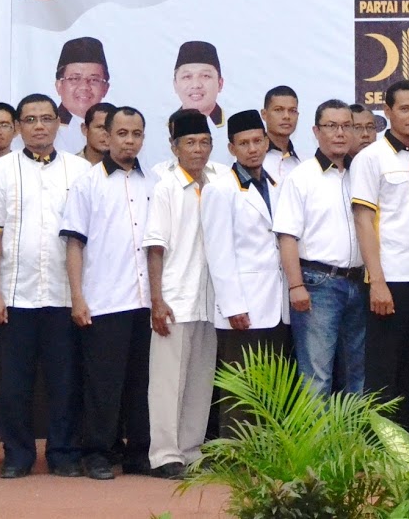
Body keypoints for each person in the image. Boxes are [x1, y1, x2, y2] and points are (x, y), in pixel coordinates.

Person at [0, 93, 91, 479]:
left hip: (64, 296)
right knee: (15, 385)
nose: (39, 126)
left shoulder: (79, 170)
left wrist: (81, 296)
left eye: (46, 118)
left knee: (65, 382)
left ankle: (63, 454)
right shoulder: (0, 171)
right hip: (16, 295)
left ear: (58, 123)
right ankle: (18, 455)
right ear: (18, 127)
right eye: (30, 120)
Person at [61, 107, 155, 480]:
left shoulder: (153, 183)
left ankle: (139, 453)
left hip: (145, 301)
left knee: (141, 383)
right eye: (122, 133)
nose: (129, 140)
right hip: (104, 300)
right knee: (103, 383)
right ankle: (97, 453)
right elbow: (74, 244)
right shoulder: (87, 183)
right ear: (107, 136)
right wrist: (77, 297)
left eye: (136, 134)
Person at [352, 80, 409, 432]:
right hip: (390, 279)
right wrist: (377, 282)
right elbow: (363, 221)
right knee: (383, 370)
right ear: (387, 112)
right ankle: (381, 445)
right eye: (405, 109)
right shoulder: (370, 158)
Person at [142, 110, 220, 479]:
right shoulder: (166, 187)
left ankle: (191, 452)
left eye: (204, 142)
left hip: (209, 301)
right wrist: (157, 300)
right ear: (175, 148)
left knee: (200, 382)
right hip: (175, 298)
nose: (198, 149)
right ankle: (164, 454)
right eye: (190, 143)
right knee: (167, 382)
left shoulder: (218, 183)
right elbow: (154, 247)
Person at [272, 99, 367, 394]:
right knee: (317, 375)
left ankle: (353, 427)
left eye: (347, 126)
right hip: (318, 285)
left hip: (359, 282)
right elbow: (287, 236)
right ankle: (315, 429)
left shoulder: (361, 174)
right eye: (331, 126)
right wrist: (295, 285)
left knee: (357, 373)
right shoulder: (301, 177)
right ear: (316, 131)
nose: (340, 133)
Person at [204, 110, 293, 417]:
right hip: (243, 307)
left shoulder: (277, 185)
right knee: (242, 395)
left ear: (267, 142)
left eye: (257, 141)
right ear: (231, 148)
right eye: (244, 143)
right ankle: (237, 449)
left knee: (274, 393)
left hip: (277, 306)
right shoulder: (220, 189)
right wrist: (233, 306)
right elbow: (218, 252)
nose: (252, 149)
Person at [54, 36, 110, 154]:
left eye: (94, 80)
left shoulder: (119, 128)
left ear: (105, 88)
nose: (84, 87)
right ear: (59, 86)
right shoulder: (47, 128)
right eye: (75, 78)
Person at [172, 41, 225, 125]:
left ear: (220, 84)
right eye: (187, 77)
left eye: (205, 76)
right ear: (175, 85)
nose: (196, 85)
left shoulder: (235, 124)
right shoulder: (168, 125)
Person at [262, 86, 303, 183]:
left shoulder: (304, 162)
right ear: (264, 114)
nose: (286, 116)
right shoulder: (252, 158)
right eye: (278, 110)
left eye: (292, 111)